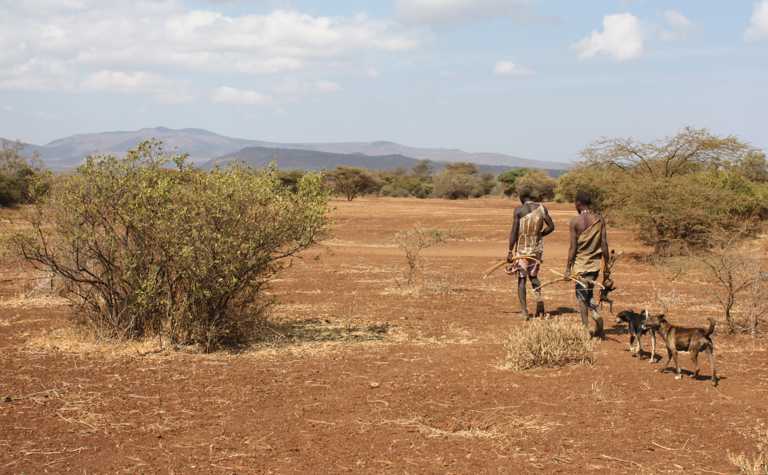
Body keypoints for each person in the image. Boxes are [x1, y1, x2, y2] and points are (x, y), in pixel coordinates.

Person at [565, 190, 610, 338]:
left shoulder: (575, 221)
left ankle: (585, 329)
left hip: (580, 266)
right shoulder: (599, 219)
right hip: (595, 265)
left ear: (578, 203)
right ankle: (596, 316)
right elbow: (604, 244)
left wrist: (567, 268)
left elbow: (573, 248)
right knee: (588, 292)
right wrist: (607, 267)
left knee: (581, 297)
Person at [507, 188, 555, 320]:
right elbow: (551, 227)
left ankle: (524, 312)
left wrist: (510, 251)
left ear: (522, 199)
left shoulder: (519, 210)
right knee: (534, 277)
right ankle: (540, 305)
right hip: (536, 249)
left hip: (522, 250)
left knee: (522, 279)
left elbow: (514, 232)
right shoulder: (542, 208)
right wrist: (540, 235)